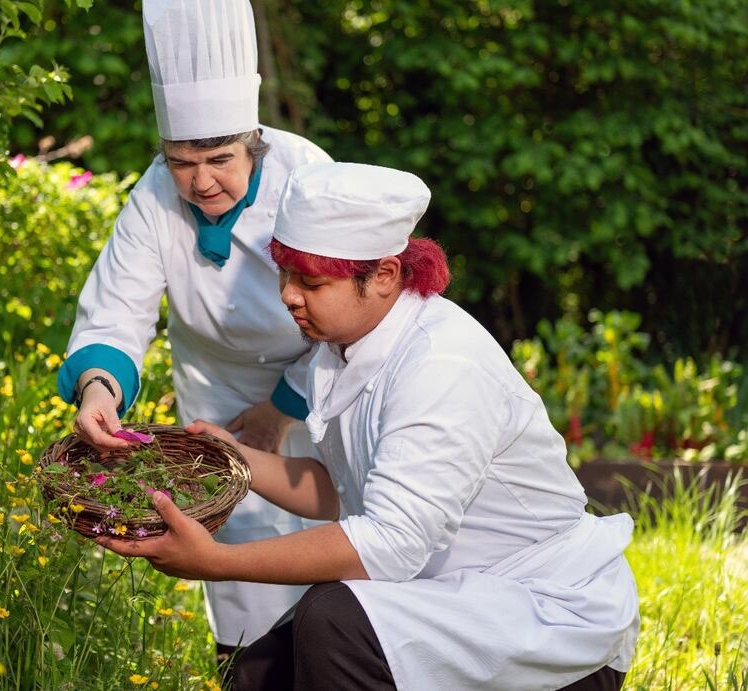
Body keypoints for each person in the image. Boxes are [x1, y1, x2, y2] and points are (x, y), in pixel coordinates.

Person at [97, 162, 641, 690]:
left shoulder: (441, 364)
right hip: (453, 593)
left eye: (310, 281)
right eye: (284, 273)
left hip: (543, 621)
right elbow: (344, 491)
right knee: (258, 672)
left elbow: (389, 542)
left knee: (331, 619)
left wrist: (216, 563)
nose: (288, 294)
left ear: (384, 274)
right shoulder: (339, 349)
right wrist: (234, 459)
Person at [58, 0, 331, 656]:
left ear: (253, 141)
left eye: (218, 158)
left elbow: (349, 322)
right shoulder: (154, 196)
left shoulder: (309, 180)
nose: (200, 180)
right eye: (183, 160)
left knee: (337, 571)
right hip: (218, 399)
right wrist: (99, 389)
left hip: (320, 391)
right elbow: (118, 308)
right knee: (245, 592)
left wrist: (281, 410)